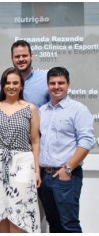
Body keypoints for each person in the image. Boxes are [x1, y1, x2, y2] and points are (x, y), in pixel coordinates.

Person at [0, 67, 41, 233]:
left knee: (19, 212)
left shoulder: (31, 109)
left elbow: (35, 141)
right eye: (7, 83)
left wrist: (37, 170)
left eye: (15, 83)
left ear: (21, 85)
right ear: (2, 86)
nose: (11, 86)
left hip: (22, 162)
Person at [38, 67, 95, 233]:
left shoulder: (78, 109)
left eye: (61, 83)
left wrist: (68, 168)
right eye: (52, 83)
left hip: (66, 176)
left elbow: (86, 141)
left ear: (68, 84)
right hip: (45, 177)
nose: (56, 86)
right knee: (53, 223)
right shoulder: (42, 111)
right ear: (47, 85)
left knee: (69, 224)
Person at [0, 40, 50, 108]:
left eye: (24, 55)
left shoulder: (45, 80)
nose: (21, 59)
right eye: (17, 56)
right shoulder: (2, 83)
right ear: (11, 58)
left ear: (31, 56)